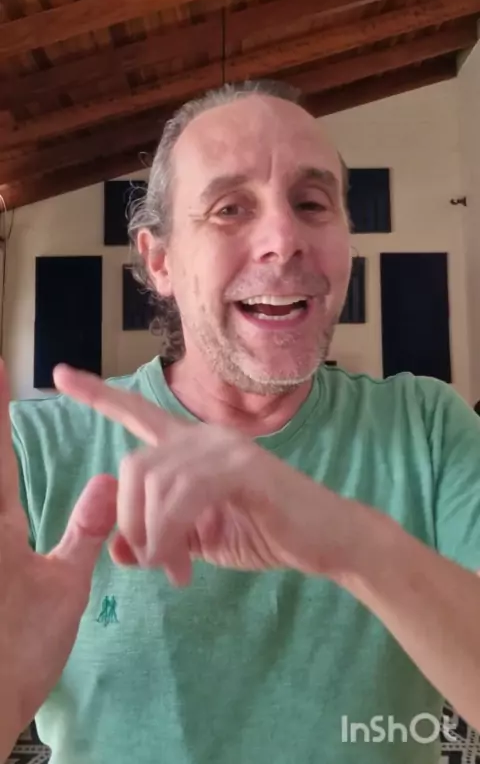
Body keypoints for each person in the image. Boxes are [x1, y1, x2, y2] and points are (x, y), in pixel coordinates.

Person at [2, 81, 480, 764]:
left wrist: (357, 546)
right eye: (230, 208)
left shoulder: (429, 430)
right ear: (160, 260)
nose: (284, 240)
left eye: (311, 203)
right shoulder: (33, 454)